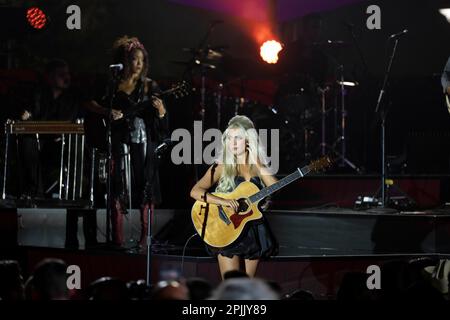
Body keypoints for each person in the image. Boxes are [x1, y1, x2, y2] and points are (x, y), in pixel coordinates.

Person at [83, 35, 169, 249]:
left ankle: (145, 238)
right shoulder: (111, 84)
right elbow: (89, 102)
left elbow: (162, 117)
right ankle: (118, 237)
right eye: (134, 59)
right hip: (118, 140)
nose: (138, 64)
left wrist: (160, 110)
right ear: (125, 60)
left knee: (144, 186)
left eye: (141, 60)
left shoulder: (150, 86)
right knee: (117, 184)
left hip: (142, 141)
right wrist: (106, 111)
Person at [190, 115, 278, 279]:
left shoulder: (257, 165)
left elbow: (275, 187)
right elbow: (195, 191)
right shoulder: (221, 165)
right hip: (227, 227)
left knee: (247, 290)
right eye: (229, 138)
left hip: (253, 228)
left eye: (237, 138)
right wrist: (223, 201)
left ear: (248, 140)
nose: (232, 143)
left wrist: (257, 162)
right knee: (232, 287)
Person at [17, 58, 81, 199]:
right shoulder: (39, 93)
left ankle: (73, 193)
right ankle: (35, 191)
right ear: (50, 77)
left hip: (60, 143)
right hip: (39, 140)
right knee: (27, 142)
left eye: (67, 74)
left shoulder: (72, 97)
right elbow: (30, 114)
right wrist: (25, 115)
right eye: (61, 74)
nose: (66, 77)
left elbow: (67, 121)